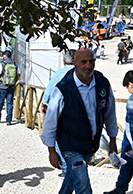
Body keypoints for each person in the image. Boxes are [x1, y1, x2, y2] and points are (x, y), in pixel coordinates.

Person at [43, 48, 119, 194]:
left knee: (72, 177)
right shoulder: (63, 88)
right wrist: (51, 151)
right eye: (83, 62)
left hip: (91, 144)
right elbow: (50, 121)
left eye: (91, 61)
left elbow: (110, 115)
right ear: (75, 63)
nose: (88, 66)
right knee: (83, 183)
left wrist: (113, 141)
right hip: (70, 144)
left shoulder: (103, 84)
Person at [40, 50, 76, 177]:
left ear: (64, 61)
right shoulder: (82, 73)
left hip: (61, 111)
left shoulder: (60, 73)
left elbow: (50, 89)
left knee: (59, 138)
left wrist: (44, 103)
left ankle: (66, 168)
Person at [0, 50, 20, 125]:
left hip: (2, 86)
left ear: (4, 56)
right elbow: (18, 74)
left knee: (0, 102)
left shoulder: (2, 64)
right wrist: (14, 81)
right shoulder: (15, 64)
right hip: (11, 86)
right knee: (10, 103)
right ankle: (9, 120)